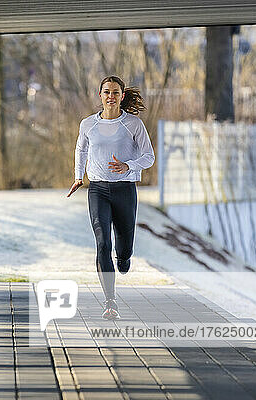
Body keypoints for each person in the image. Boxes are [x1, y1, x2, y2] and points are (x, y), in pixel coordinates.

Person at [66, 76, 155, 320]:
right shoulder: (88, 124)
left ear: (122, 96)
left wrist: (128, 165)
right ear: (100, 94)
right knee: (103, 243)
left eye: (115, 92)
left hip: (125, 190)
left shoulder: (133, 124)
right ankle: (110, 301)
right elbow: (81, 149)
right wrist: (78, 176)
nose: (111, 96)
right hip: (98, 190)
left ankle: (124, 257)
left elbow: (149, 157)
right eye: (106, 92)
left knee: (123, 247)